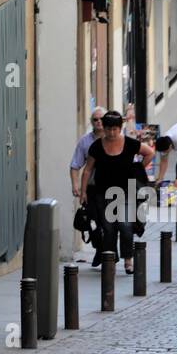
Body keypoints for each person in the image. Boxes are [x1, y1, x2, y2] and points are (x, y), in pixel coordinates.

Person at [81, 111, 154, 274]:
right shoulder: (97, 146)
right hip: (102, 193)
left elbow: (149, 152)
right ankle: (111, 259)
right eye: (108, 129)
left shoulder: (129, 143)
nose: (112, 133)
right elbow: (87, 170)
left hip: (125, 192)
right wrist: (83, 192)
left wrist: (138, 168)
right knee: (108, 228)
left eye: (115, 129)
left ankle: (128, 260)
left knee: (125, 225)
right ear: (104, 128)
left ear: (120, 128)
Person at [70, 107, 105, 264]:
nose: (98, 122)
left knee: (109, 222)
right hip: (92, 188)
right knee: (95, 221)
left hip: (112, 188)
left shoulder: (115, 138)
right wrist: (75, 185)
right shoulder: (85, 141)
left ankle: (109, 252)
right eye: (95, 120)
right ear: (91, 122)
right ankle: (99, 249)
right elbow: (75, 165)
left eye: (101, 119)